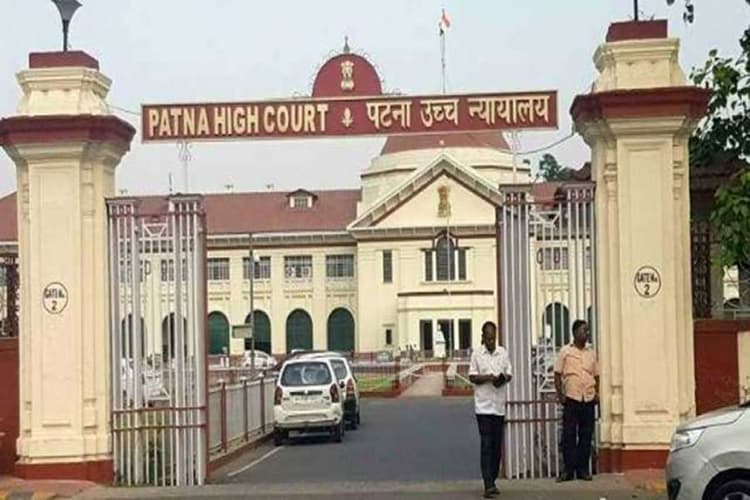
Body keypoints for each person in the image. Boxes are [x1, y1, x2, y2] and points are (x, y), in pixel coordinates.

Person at [468, 321, 512, 498]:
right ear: (483, 337)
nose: (491, 341)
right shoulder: (477, 354)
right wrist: (488, 377)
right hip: (483, 406)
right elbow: (472, 376)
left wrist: (502, 378)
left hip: (498, 406)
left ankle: (492, 479)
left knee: (496, 446)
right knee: (486, 444)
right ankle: (488, 484)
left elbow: (509, 373)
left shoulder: (503, 353)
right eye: (488, 338)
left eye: (493, 338)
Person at [554, 319, 599, 482]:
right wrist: (560, 395)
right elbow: (557, 374)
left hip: (588, 398)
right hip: (572, 398)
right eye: (583, 330)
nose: (586, 333)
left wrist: (597, 393)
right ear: (575, 333)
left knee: (586, 436)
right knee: (569, 436)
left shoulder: (591, 353)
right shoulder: (565, 351)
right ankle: (568, 471)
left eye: (587, 330)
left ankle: (583, 470)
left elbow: (596, 375)